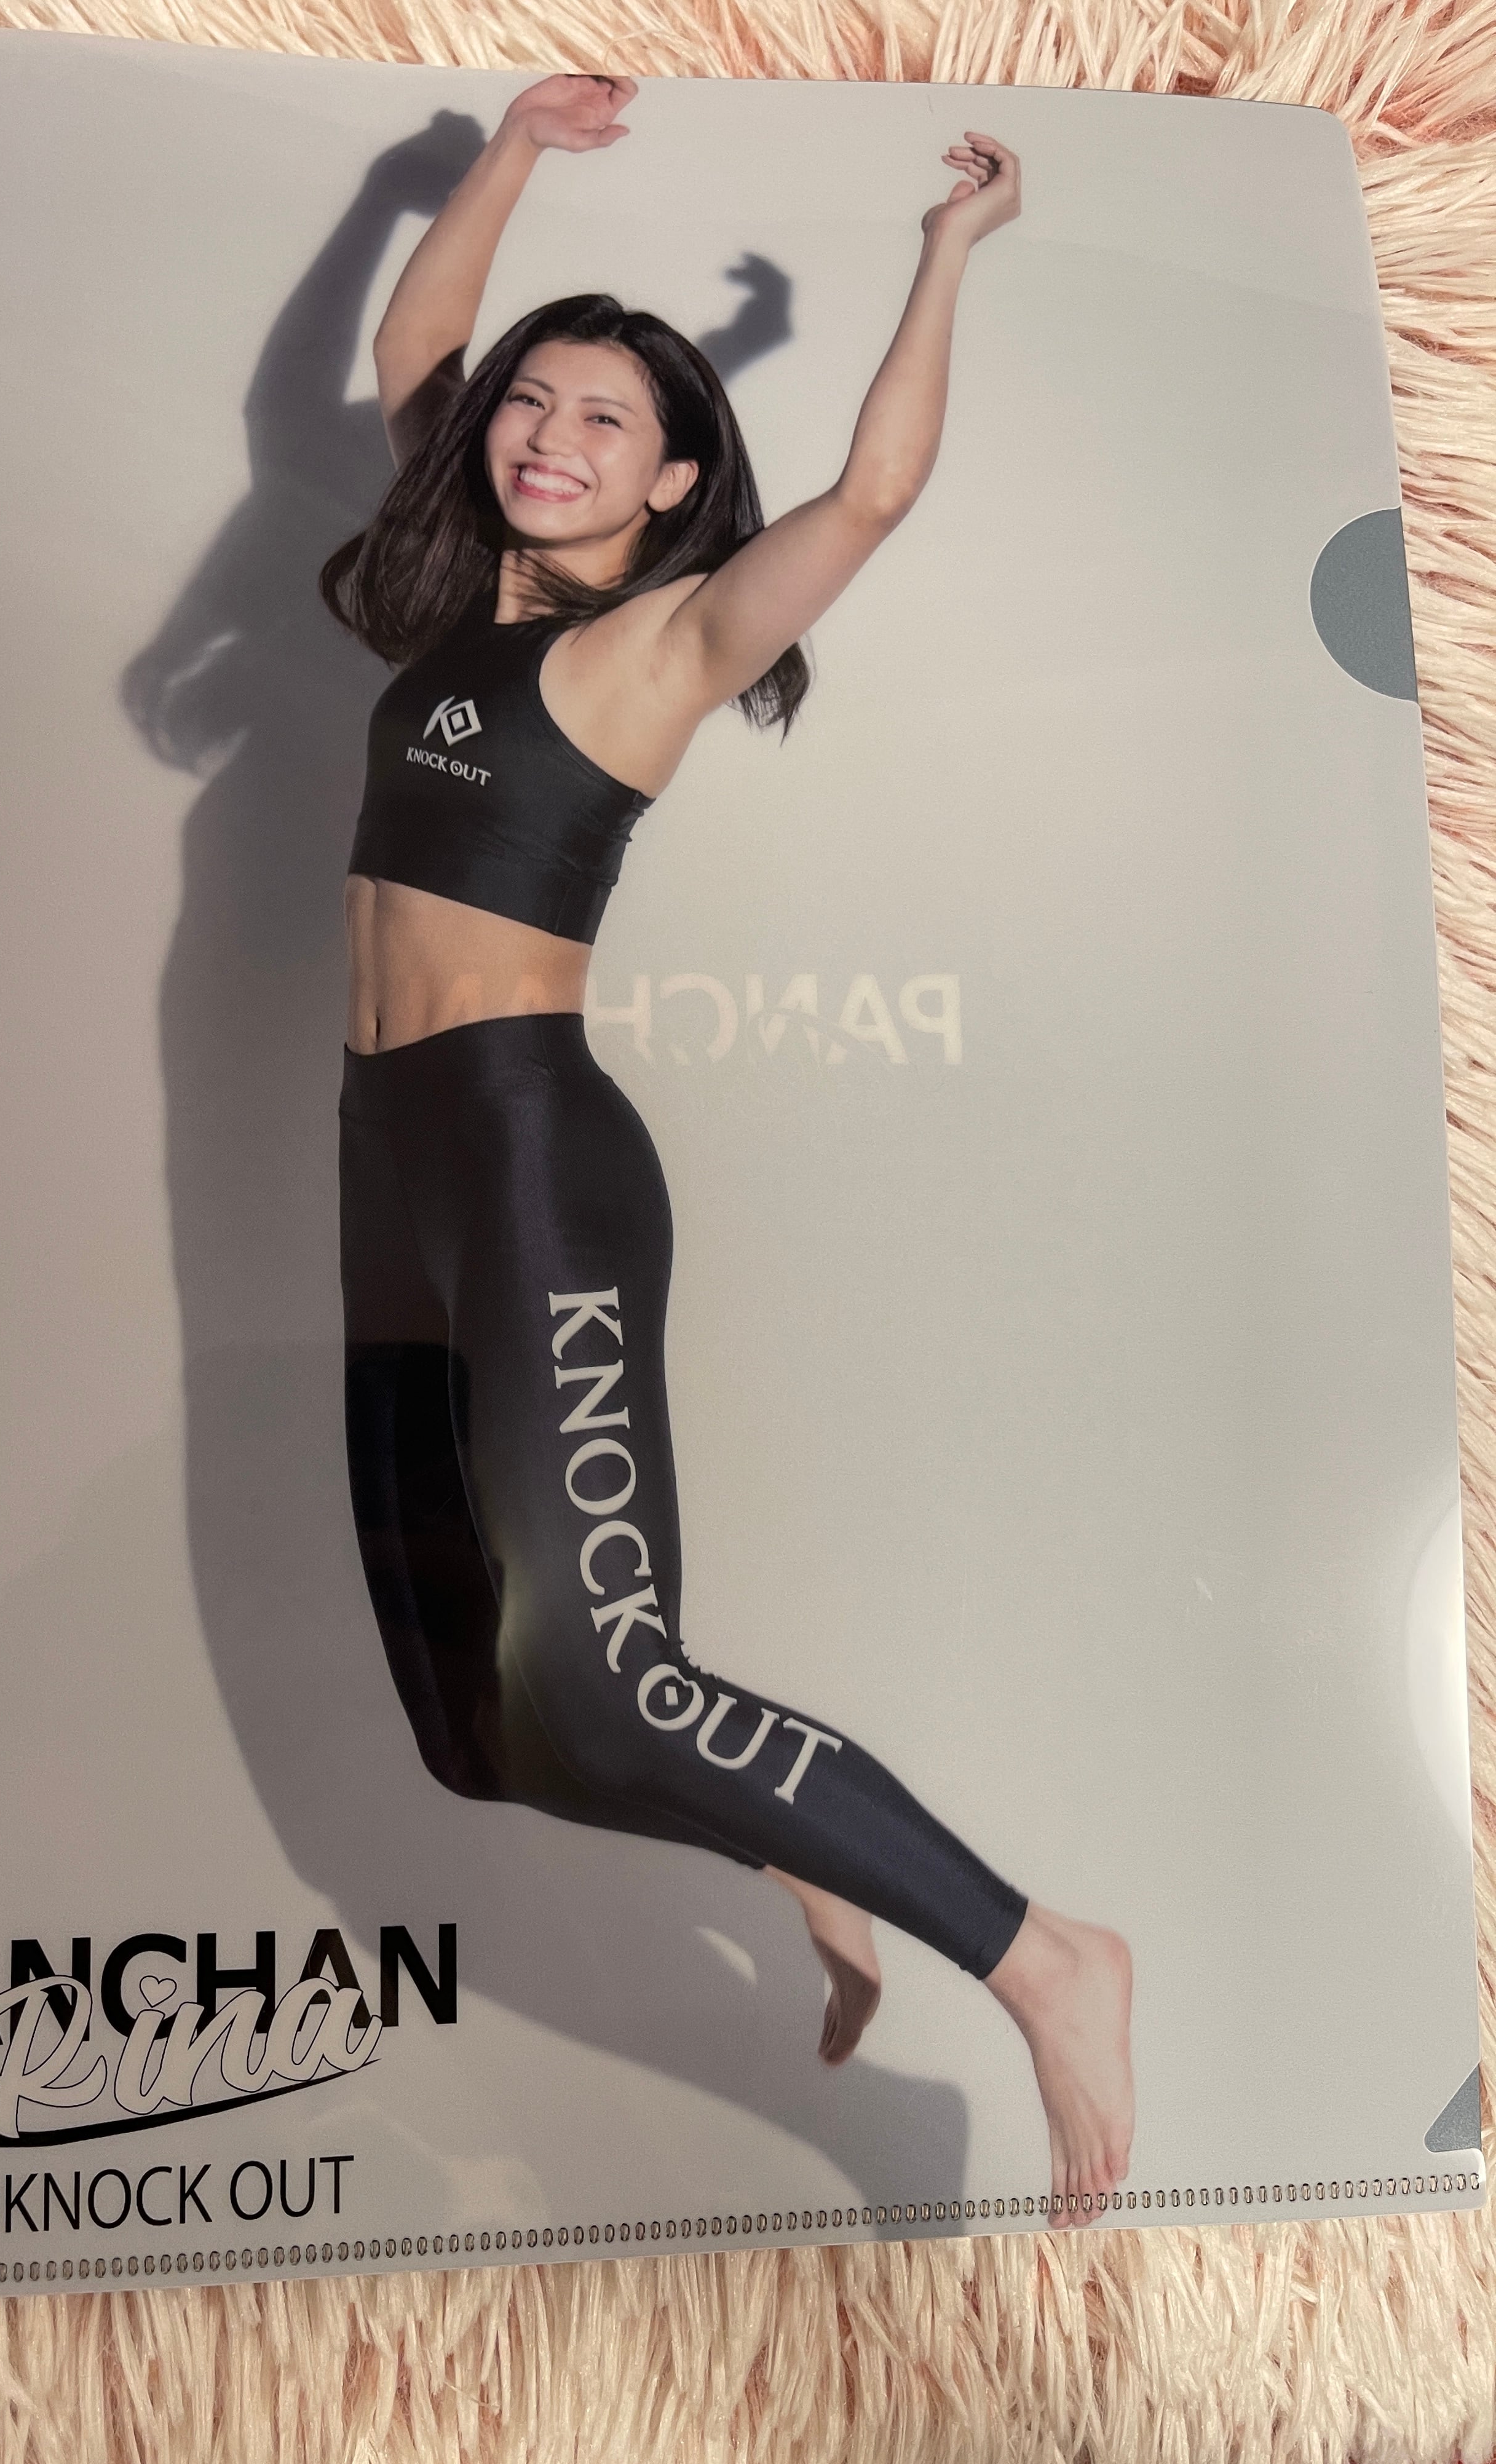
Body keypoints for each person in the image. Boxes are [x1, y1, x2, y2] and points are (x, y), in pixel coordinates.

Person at [322, 72, 1133, 2227]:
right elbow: (421, 343)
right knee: (477, 1732)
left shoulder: (657, 644)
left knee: (608, 1680)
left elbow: (872, 493)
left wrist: (946, 252)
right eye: (536, 404)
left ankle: (1045, 1958)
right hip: (382, 1162)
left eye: (606, 421)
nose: (546, 433)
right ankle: (798, 1838)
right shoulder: (461, 602)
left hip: (527, 1159)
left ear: (673, 481)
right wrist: (503, 152)